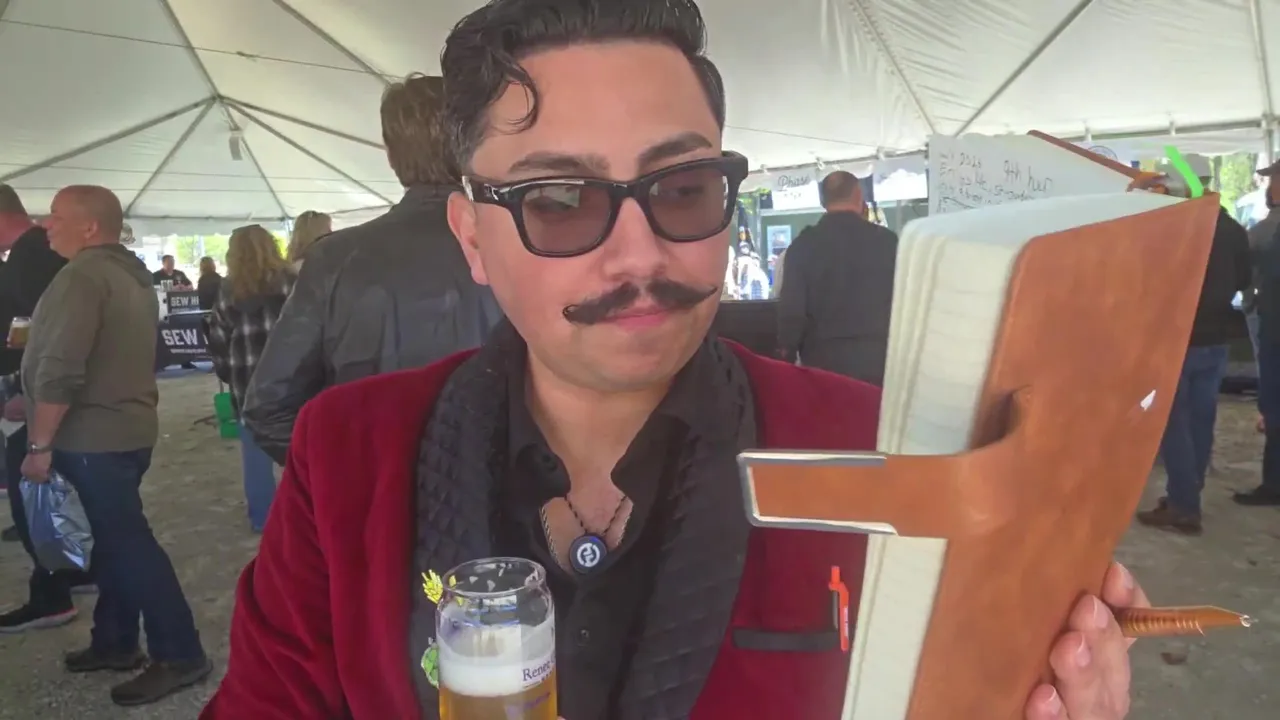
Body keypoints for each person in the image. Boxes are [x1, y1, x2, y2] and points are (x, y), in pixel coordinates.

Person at [206, 2, 1148, 719]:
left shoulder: (877, 449)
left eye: (683, 187)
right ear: (471, 238)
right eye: (560, 200)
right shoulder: (351, 454)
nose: (639, 255)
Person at [242, 73, 503, 464]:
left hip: (378, 484)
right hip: (498, 482)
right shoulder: (522, 245)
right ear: (475, 141)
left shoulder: (332, 260)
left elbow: (268, 408)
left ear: (390, 155)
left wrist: (353, 475)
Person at [22, 185, 211, 706]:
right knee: (112, 541)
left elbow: (61, 368)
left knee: (128, 544)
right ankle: (116, 639)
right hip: (126, 427)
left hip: (93, 436)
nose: (46, 224)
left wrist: (39, 444)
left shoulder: (82, 276)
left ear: (89, 226)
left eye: (56, 216)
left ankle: (181, 652)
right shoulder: (129, 274)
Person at [1136, 155, 1251, 534]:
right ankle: (1187, 495)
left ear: (1183, 185)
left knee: (1174, 426)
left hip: (1179, 341)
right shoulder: (1232, 229)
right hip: (1216, 341)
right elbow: (1242, 280)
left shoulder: (1178, 229)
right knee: (1201, 423)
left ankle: (1184, 506)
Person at [0, 183, 93, 634]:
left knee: (31, 486)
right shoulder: (33, 254)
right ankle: (76, 569)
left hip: (38, 392)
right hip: (41, 388)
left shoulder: (32, 256)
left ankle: (52, 591)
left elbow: (57, 335)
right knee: (51, 484)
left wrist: (30, 391)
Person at [207, 226, 296, 532]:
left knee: (255, 458)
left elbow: (218, 339)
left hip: (248, 384)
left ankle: (264, 520)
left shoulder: (228, 289)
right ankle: (305, 515)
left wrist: (228, 374)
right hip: (293, 381)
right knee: (300, 453)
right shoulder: (292, 283)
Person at [777, 170, 898, 386]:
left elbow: (792, 312)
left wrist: (785, 360)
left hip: (823, 368)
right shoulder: (889, 243)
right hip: (880, 365)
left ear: (823, 201)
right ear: (859, 196)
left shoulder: (803, 246)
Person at [1237, 159, 1280, 507]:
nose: (1268, 187)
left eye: (1273, 180)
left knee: (1275, 406)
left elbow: (1245, 263)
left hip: (1276, 328)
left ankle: (1274, 484)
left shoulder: (1269, 230)